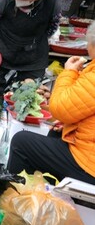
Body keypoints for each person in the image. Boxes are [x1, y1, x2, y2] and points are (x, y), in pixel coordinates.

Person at [6, 23, 95, 184]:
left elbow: (60, 109)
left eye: (88, 43)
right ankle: (46, 195)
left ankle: (13, 196)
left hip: (90, 165)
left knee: (22, 141)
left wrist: (69, 72)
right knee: (56, 132)